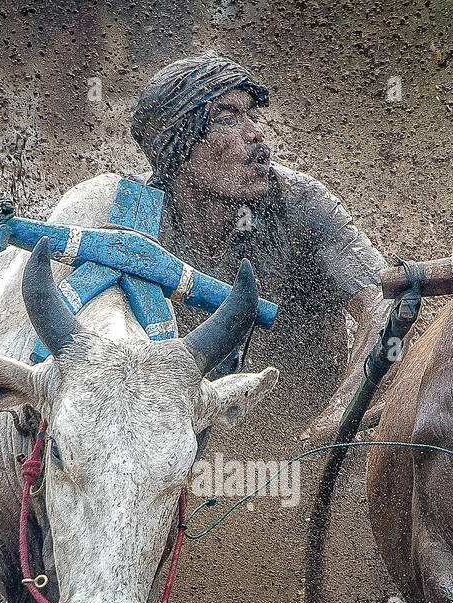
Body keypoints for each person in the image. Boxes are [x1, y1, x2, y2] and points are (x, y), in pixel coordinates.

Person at [130, 52, 392, 438]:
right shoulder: (135, 220)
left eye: (251, 115)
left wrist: (343, 411)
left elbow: (385, 305)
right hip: (176, 431)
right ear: (177, 147)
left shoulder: (299, 201)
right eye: (225, 118)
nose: (255, 133)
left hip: (311, 427)